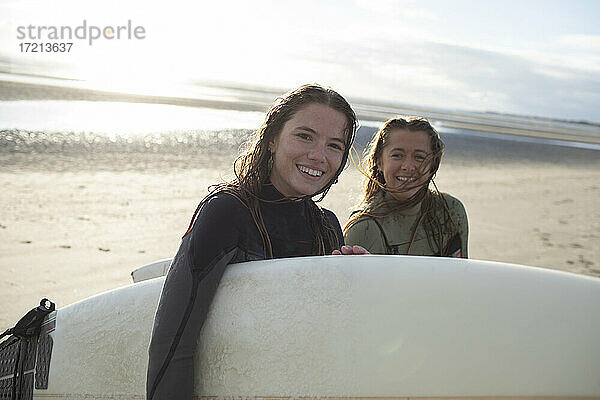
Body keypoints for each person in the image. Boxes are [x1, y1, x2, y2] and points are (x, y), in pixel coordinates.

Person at [146, 84, 365, 400]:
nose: (319, 156)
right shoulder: (226, 212)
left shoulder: (328, 226)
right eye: (304, 136)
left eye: (334, 145)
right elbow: (173, 340)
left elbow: (322, 340)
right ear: (273, 138)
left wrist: (357, 286)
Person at [344, 116, 468, 257]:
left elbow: (461, 275)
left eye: (419, 157)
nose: (408, 167)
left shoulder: (450, 211)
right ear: (379, 161)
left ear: (433, 164)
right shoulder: (364, 227)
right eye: (397, 155)